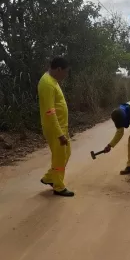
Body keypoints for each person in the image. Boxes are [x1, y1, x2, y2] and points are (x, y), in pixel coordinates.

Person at [38, 56, 75, 197]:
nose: (66, 75)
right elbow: (49, 111)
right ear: (58, 69)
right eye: (65, 72)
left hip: (61, 127)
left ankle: (49, 177)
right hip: (55, 128)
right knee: (59, 157)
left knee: (66, 153)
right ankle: (58, 186)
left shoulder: (53, 81)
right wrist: (60, 134)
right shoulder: (47, 83)